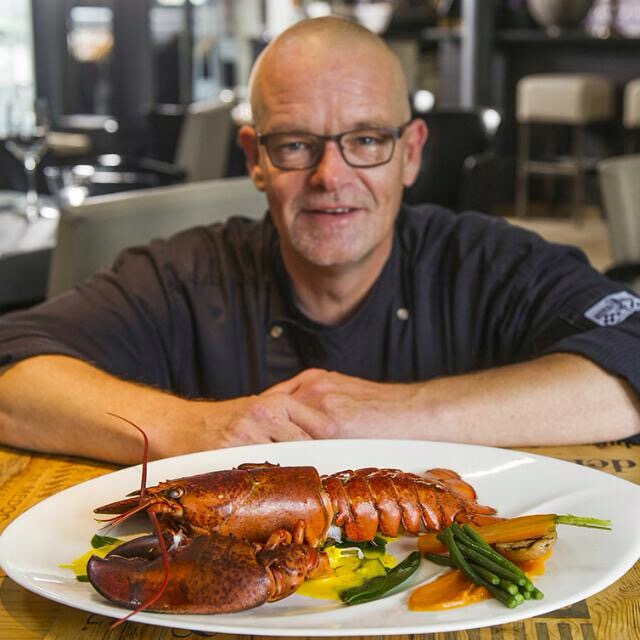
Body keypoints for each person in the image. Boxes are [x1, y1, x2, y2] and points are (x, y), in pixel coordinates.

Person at [0, 17, 639, 464]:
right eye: (296, 144)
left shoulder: (483, 262)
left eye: (366, 140)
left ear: (411, 153)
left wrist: (397, 415)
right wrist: (194, 425)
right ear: (255, 159)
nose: (331, 176)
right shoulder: (186, 275)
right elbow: (12, 368)